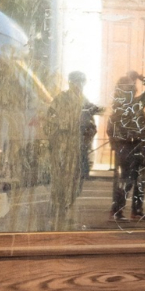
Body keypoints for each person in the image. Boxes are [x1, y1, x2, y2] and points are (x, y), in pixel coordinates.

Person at [42, 71, 101, 227]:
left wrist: (87, 139)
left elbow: (92, 125)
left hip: (77, 147)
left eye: (81, 82)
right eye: (75, 82)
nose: (78, 85)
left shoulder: (85, 102)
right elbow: (48, 120)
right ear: (70, 83)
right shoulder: (60, 99)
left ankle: (65, 207)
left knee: (76, 181)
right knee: (59, 179)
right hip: (61, 144)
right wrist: (53, 139)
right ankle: (58, 211)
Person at [108, 72, 145, 222]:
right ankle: (117, 210)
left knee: (141, 181)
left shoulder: (137, 103)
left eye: (133, 88)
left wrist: (140, 77)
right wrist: (121, 141)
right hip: (127, 148)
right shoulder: (117, 108)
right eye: (128, 88)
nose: (133, 90)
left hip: (142, 146)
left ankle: (137, 211)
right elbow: (112, 131)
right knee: (126, 181)